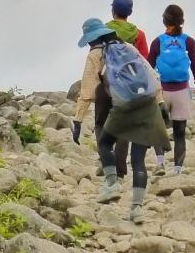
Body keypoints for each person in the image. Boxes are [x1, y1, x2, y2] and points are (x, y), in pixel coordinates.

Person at [72, 17, 169, 223]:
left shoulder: (95, 54)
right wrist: (161, 102)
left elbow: (87, 91)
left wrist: (78, 120)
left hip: (123, 107)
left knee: (105, 142)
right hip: (146, 105)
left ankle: (112, 184)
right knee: (138, 161)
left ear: (92, 39)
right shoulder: (128, 47)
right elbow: (152, 75)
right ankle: (137, 209)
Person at [148, 4, 195, 175]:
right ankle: (178, 169)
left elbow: (148, 66)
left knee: (158, 128)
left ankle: (160, 163)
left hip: (162, 91)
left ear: (164, 21)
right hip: (181, 91)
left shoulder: (158, 41)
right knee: (179, 132)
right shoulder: (188, 41)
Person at [100, 0, 149, 177]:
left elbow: (98, 56)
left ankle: (107, 161)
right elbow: (145, 60)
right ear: (130, 13)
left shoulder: (103, 31)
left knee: (103, 121)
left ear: (113, 10)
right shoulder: (139, 34)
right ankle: (120, 167)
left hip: (108, 81)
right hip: (130, 82)